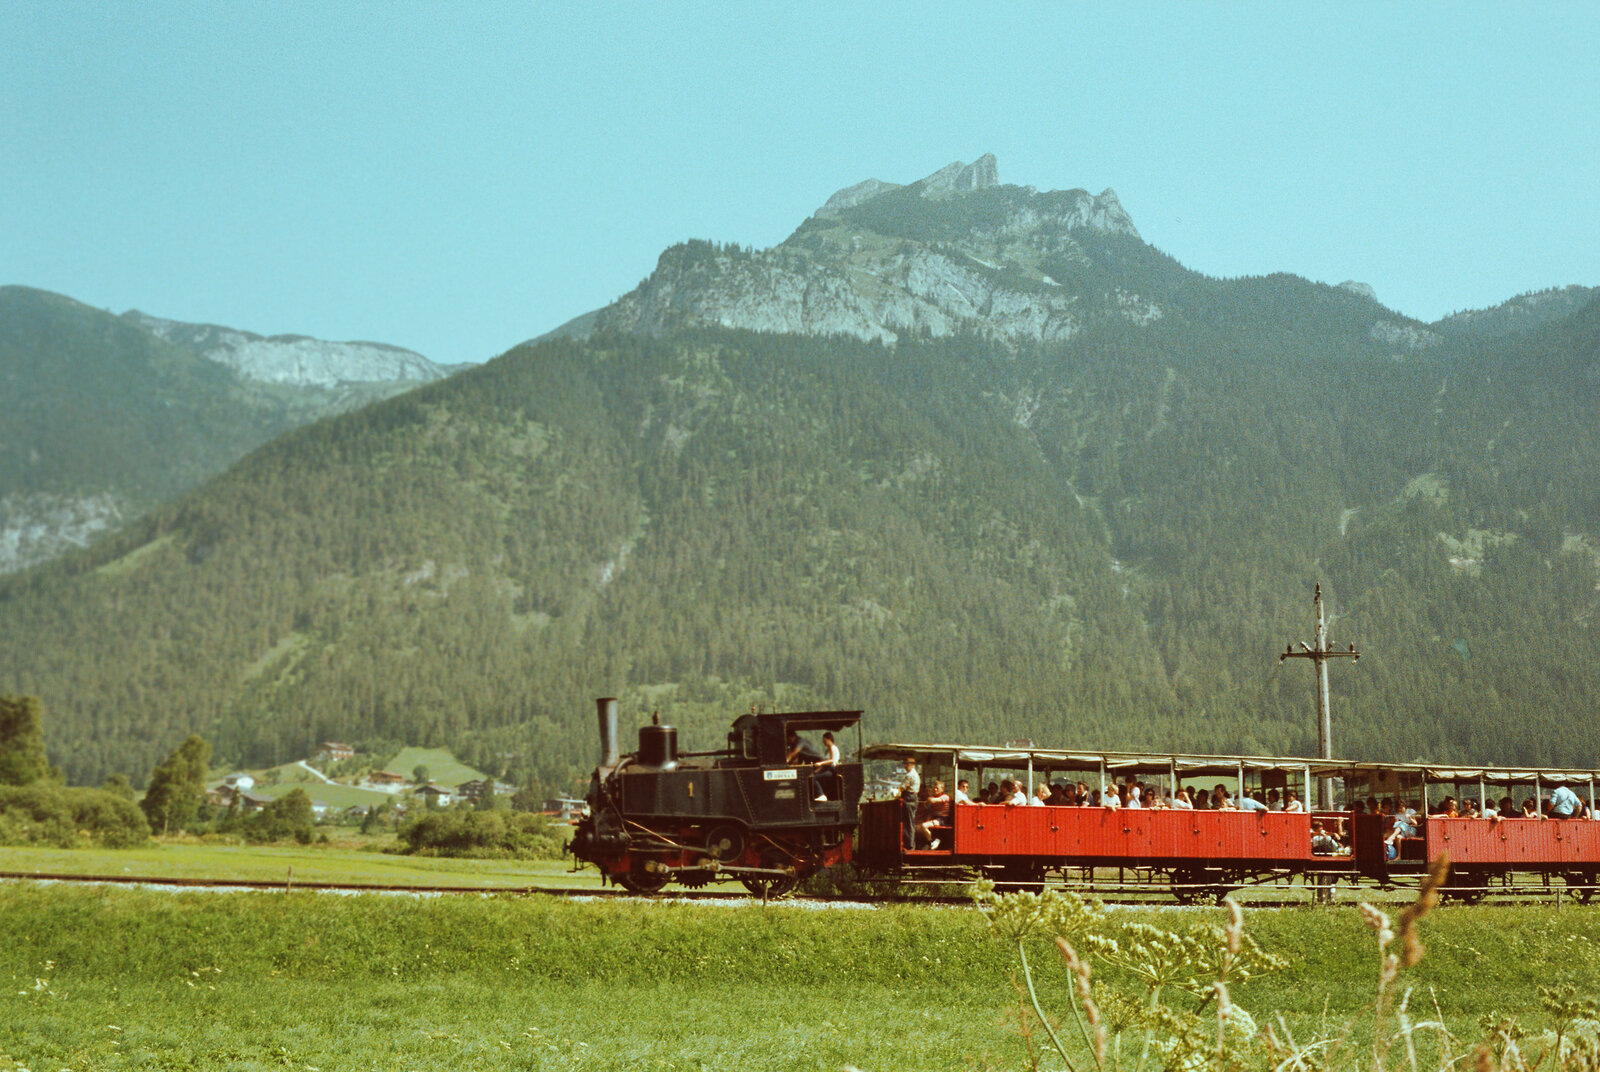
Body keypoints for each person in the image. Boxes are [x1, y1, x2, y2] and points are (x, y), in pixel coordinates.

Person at [918, 780, 951, 848]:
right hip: (934, 817)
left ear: (942, 789)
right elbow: (929, 809)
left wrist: (928, 799)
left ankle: (931, 841)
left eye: (937, 788)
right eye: (934, 788)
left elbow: (933, 800)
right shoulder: (934, 796)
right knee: (918, 827)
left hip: (942, 819)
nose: (935, 789)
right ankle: (926, 842)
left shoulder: (945, 796)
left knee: (923, 826)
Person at [898, 756, 921, 850]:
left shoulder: (910, 775)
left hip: (909, 798)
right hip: (913, 798)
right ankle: (909, 843)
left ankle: (909, 845)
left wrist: (897, 793)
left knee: (908, 822)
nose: (905, 766)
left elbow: (902, 787)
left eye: (906, 764)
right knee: (909, 822)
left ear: (911, 765)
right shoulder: (915, 774)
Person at [812, 731, 840, 800]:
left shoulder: (832, 748)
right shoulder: (828, 750)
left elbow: (832, 761)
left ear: (829, 739)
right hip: (827, 769)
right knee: (813, 776)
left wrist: (820, 763)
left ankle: (821, 795)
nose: (823, 742)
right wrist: (817, 770)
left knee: (814, 778)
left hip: (831, 770)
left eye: (824, 740)